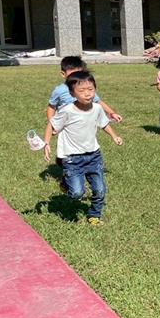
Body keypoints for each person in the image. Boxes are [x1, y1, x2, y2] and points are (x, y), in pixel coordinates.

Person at [42, 71, 123, 225]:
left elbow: (103, 123)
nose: (87, 93)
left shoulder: (97, 108)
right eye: (82, 90)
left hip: (94, 156)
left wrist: (114, 136)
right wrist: (46, 143)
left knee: (100, 190)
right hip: (72, 158)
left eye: (90, 89)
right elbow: (51, 124)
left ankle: (94, 215)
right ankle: (66, 182)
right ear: (72, 94)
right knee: (77, 193)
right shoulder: (67, 111)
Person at [45, 56, 122, 190]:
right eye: (73, 73)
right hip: (66, 124)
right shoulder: (60, 90)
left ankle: (78, 171)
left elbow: (98, 102)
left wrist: (112, 113)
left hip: (84, 122)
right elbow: (51, 107)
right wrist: (52, 124)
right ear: (63, 74)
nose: (78, 77)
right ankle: (68, 172)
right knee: (66, 152)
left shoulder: (86, 89)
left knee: (82, 148)